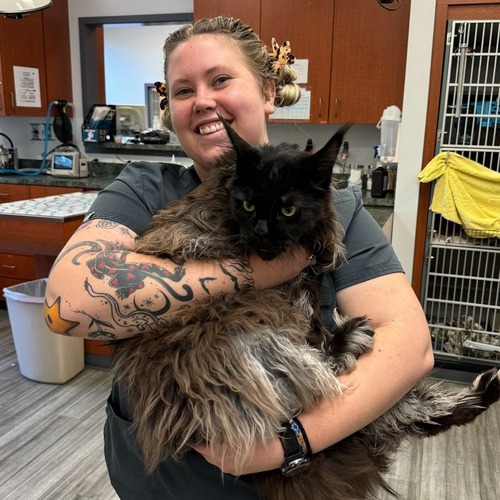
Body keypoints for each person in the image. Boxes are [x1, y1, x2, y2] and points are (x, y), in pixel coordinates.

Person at [44, 16, 434, 499]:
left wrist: (289, 442)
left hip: (295, 473)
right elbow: (68, 303)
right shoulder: (145, 188)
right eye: (183, 90)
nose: (203, 99)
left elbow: (410, 345)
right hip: (158, 480)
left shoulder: (339, 205)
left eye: (221, 79)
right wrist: (260, 270)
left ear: (268, 91)